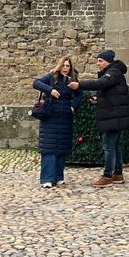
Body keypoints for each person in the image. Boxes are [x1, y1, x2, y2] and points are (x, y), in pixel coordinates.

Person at [70, 49, 129, 187]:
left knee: (108, 146)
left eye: (100, 61)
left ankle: (107, 176)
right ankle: (118, 174)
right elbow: (108, 92)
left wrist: (79, 85)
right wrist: (98, 98)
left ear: (108, 61)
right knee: (115, 145)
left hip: (115, 116)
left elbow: (101, 84)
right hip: (114, 115)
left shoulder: (113, 72)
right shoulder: (112, 73)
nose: (98, 63)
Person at [32, 55, 82, 188]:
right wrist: (51, 90)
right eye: (64, 65)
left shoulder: (72, 79)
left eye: (68, 66)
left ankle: (59, 176)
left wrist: (73, 106)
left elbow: (79, 94)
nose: (66, 68)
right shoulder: (51, 76)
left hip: (65, 117)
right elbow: (36, 83)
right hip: (50, 117)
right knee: (49, 147)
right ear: (60, 65)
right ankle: (47, 178)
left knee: (62, 147)